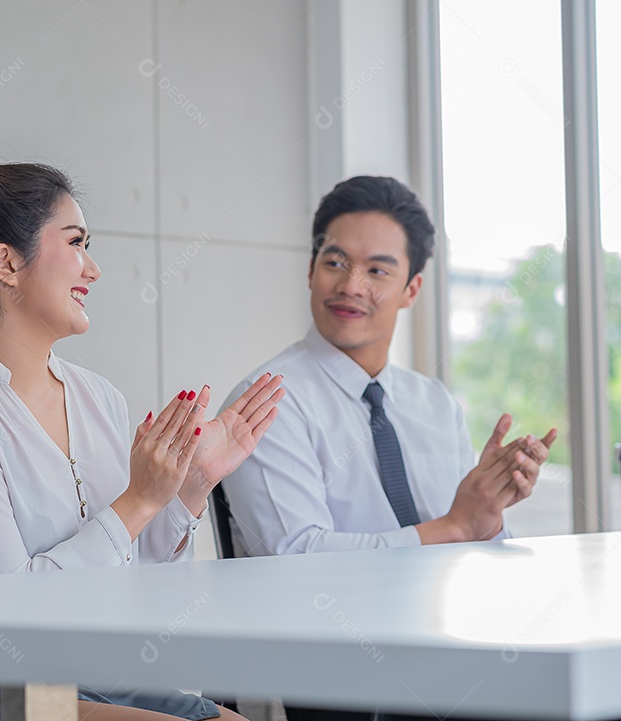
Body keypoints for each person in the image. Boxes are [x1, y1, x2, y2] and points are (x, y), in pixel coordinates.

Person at [0, 147, 284, 721]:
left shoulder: (99, 399)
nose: (92, 270)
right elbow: (12, 619)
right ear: (5, 263)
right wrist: (138, 500)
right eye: (75, 244)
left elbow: (137, 589)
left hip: (93, 680)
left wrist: (187, 488)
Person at [219, 176, 557, 721]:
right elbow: (294, 560)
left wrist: (490, 515)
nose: (351, 285)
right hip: (343, 680)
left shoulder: (434, 404)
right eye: (335, 261)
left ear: (412, 290)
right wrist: (452, 527)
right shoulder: (268, 403)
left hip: (451, 650)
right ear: (310, 270)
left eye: (378, 269)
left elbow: (474, 547)